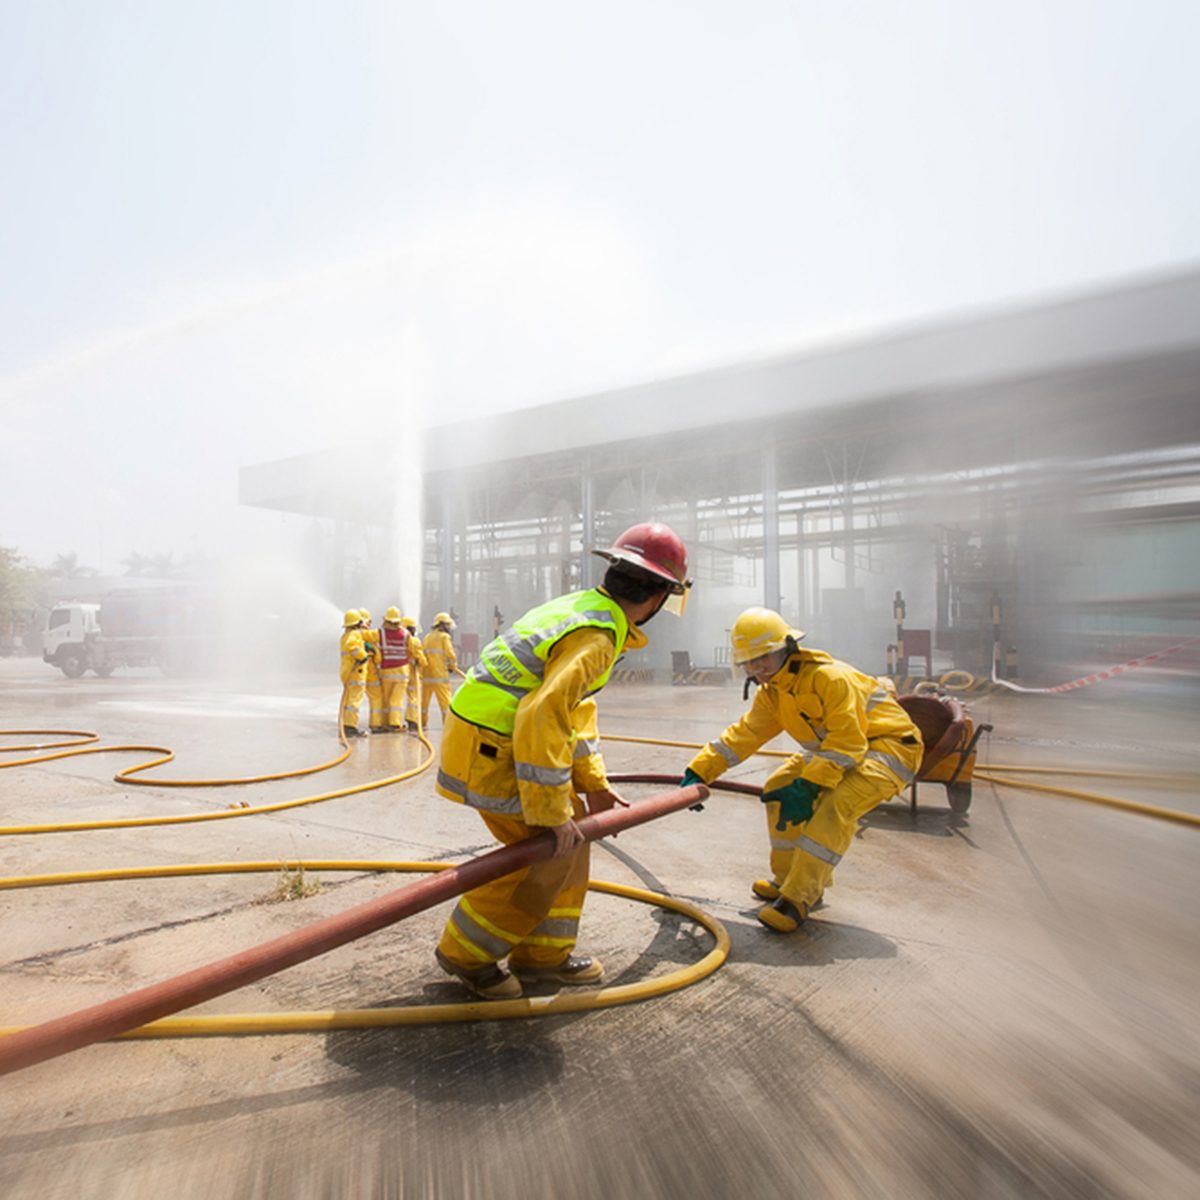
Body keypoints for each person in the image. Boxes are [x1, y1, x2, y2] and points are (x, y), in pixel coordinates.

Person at [434, 522, 692, 999]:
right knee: (542, 857)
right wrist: (552, 814)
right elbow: (543, 716)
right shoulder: (597, 637)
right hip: (494, 752)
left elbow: (576, 711)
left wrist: (591, 781)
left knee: (570, 849)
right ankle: (467, 955)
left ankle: (542, 958)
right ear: (658, 596)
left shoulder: (587, 611)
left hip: (492, 742)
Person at [681, 607, 923, 933]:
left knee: (835, 805)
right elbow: (744, 736)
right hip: (841, 751)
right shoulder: (775, 693)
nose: (757, 669)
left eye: (763, 658)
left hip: (891, 749)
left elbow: (848, 743)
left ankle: (799, 898)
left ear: (787, 648)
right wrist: (700, 771)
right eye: (749, 662)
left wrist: (811, 786)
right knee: (779, 785)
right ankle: (787, 881)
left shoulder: (829, 678)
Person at [421, 611, 459, 729]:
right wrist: (453, 666)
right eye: (447, 625)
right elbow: (450, 654)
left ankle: (422, 723)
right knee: (445, 701)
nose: (448, 628)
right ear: (442, 625)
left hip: (427, 675)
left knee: (424, 702)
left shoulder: (427, 637)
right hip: (440, 675)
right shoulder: (444, 637)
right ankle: (448, 724)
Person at [377, 606, 411, 733]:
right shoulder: (406, 634)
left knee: (386, 699)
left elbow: (366, 636)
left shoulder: (380, 632)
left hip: (386, 671)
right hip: (402, 672)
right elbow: (413, 650)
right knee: (397, 699)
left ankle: (384, 722)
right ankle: (395, 724)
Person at [338, 610, 371, 738]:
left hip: (347, 672)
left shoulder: (345, 635)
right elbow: (352, 646)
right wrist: (362, 655)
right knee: (354, 701)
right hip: (356, 672)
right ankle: (351, 727)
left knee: (348, 700)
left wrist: (363, 646)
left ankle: (346, 725)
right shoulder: (354, 634)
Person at [359, 608, 384, 733]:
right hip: (369, 668)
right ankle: (376, 724)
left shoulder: (349, 634)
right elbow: (378, 656)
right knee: (376, 696)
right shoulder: (367, 634)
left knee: (353, 698)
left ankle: (348, 724)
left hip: (355, 670)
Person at [401, 616, 427, 732]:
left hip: (402, 671)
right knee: (414, 696)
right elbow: (420, 657)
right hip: (413, 672)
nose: (414, 630)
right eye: (412, 628)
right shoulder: (414, 641)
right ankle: (412, 720)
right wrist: (424, 663)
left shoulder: (400, 639)